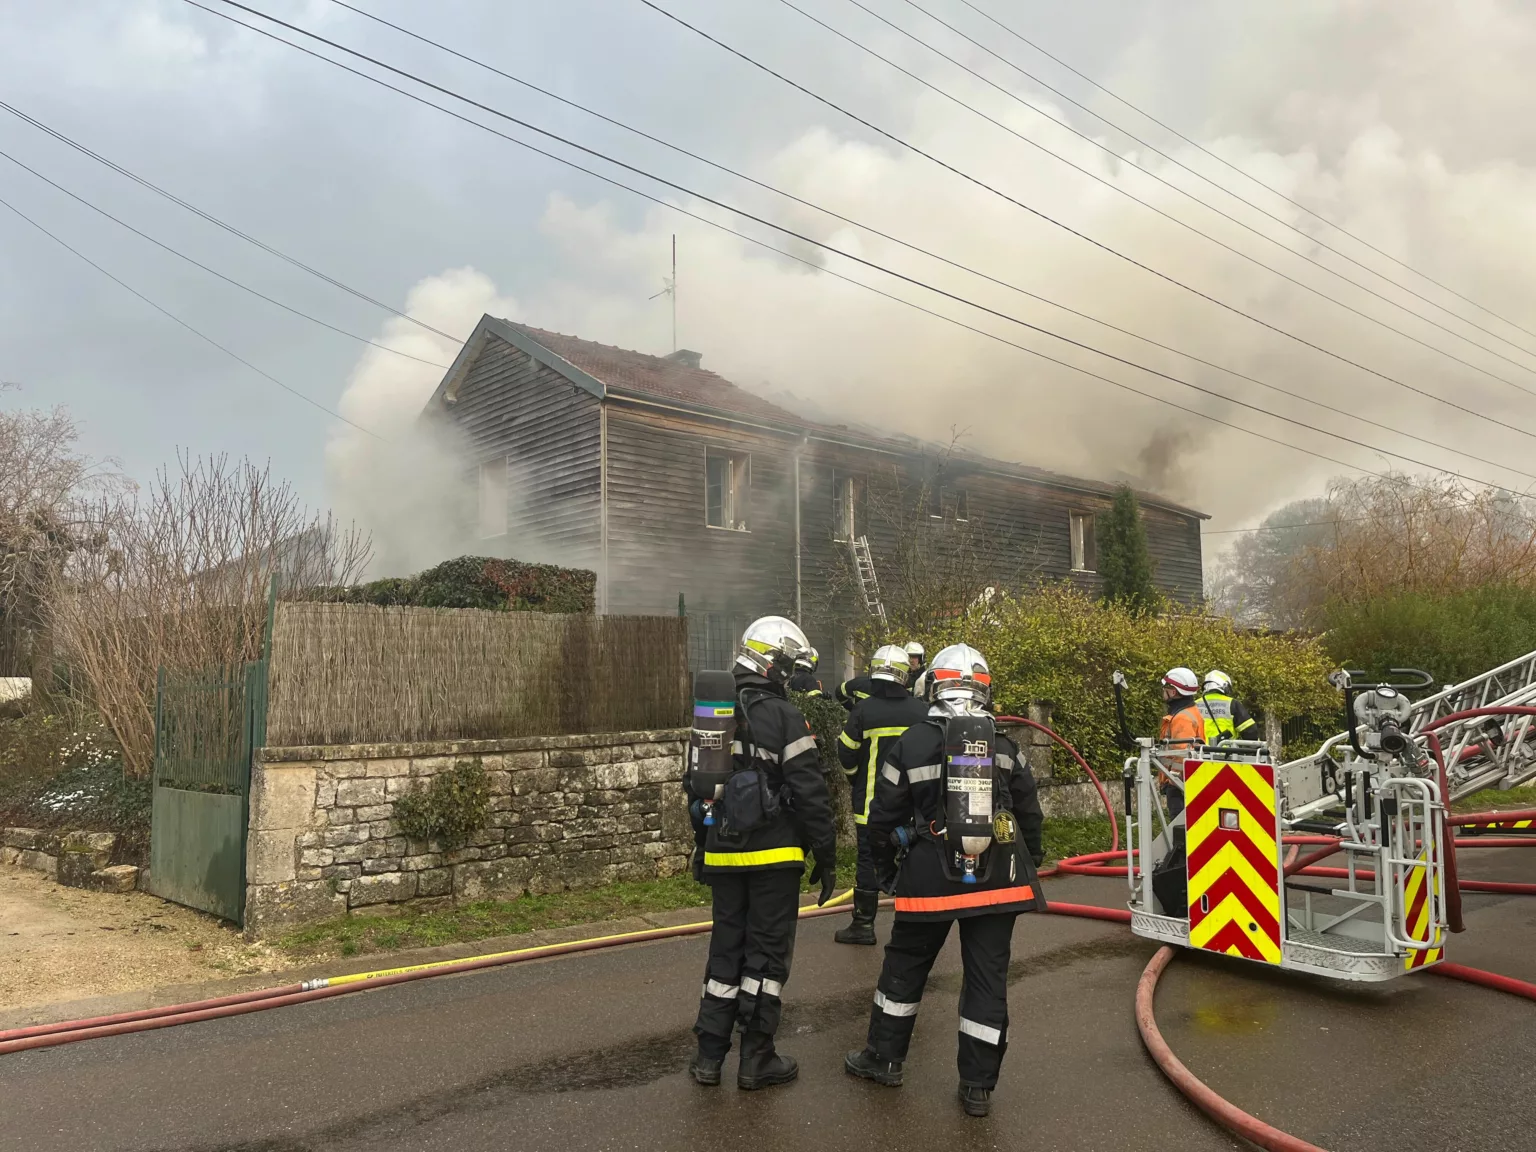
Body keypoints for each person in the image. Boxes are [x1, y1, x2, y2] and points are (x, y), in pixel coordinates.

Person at [845, 643, 1046, 1118]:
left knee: (906, 966)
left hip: (929, 878)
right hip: (999, 879)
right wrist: (1028, 862)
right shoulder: (1003, 744)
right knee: (987, 977)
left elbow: (880, 818)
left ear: (933, 685)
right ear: (983, 690)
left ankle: (884, 1058)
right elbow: (1029, 814)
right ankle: (977, 1088)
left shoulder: (911, 742)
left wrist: (890, 870)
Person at [688, 616, 838, 1091]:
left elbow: (693, 786)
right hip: (775, 857)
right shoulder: (785, 716)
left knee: (725, 952)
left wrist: (702, 846)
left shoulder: (712, 711)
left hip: (723, 853)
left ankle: (708, 1058)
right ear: (772, 664)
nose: (792, 677)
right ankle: (757, 1058)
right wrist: (827, 854)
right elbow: (810, 791)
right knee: (766, 958)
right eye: (790, 667)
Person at [834, 644, 930, 946]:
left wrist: (855, 779)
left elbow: (845, 752)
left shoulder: (864, 710)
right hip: (914, 808)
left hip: (871, 805)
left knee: (869, 860)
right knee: (915, 859)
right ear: (904, 675)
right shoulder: (921, 711)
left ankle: (863, 925)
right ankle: (916, 924)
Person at [1198, 669, 1258, 744]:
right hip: (1226, 753)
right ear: (1224, 685)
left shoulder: (1194, 705)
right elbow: (1250, 731)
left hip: (1199, 753)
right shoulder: (1232, 704)